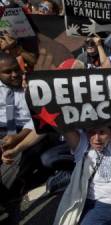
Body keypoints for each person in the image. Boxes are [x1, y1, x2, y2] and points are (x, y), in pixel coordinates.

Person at [0, 52, 57, 224]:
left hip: (26, 132)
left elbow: (37, 122)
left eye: (16, 69)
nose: (15, 74)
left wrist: (16, 138)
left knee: (9, 168)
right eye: (8, 72)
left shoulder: (33, 86)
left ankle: (11, 201)